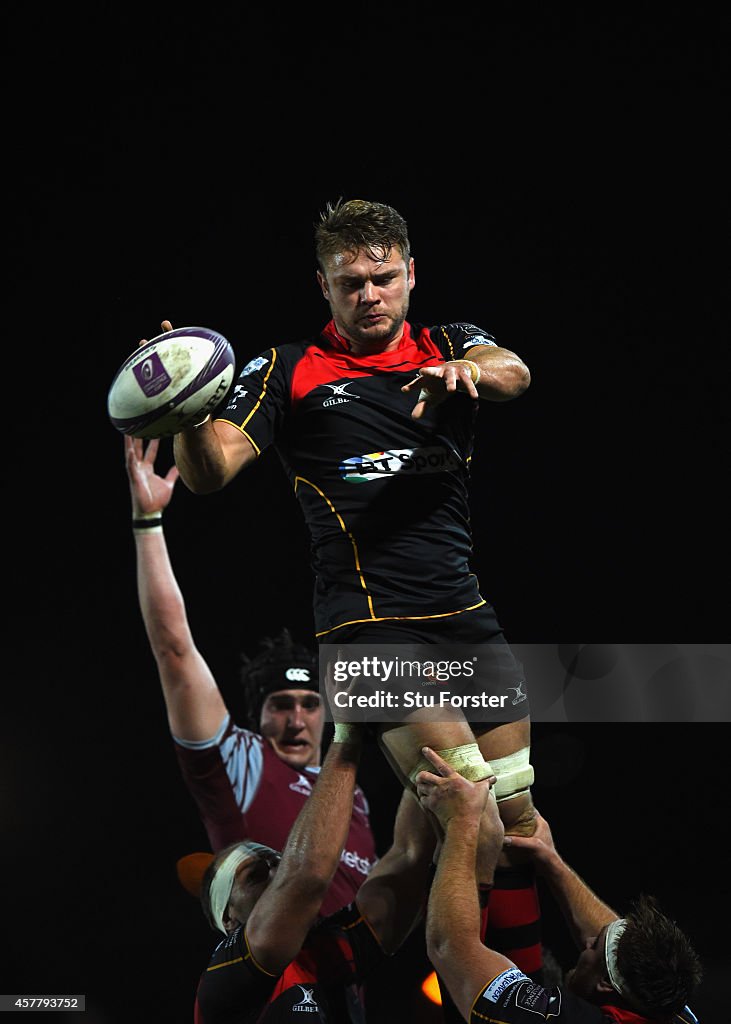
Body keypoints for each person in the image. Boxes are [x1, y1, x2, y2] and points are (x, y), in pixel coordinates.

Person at [154, 197, 541, 971]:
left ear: (409, 275)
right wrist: (189, 409)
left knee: (522, 826)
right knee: (477, 815)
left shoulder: (450, 341)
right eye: (349, 283)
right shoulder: (287, 368)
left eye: (382, 278)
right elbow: (214, 470)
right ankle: (479, 993)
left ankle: (544, 977)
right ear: (323, 287)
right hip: (369, 626)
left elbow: (514, 372)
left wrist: (466, 370)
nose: (368, 295)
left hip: (466, 615)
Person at [125, 434, 376, 917]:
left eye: (310, 703)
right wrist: (148, 522)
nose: (297, 719)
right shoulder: (241, 760)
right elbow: (174, 650)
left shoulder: (352, 792)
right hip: (271, 982)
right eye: (280, 705)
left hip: (348, 992)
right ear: (257, 717)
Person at [416, 745, 702, 1024]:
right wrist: (553, 862)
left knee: (483, 832)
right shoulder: (668, 1011)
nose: (586, 942)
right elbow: (617, 960)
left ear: (604, 983)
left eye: (594, 947)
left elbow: (449, 947)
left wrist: (462, 820)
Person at [193, 710, 439, 1023]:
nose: (276, 874)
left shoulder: (325, 951)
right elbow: (305, 876)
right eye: (253, 876)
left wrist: (434, 748)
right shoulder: (225, 974)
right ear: (229, 919)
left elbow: (409, 856)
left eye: (279, 864)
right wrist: (347, 735)